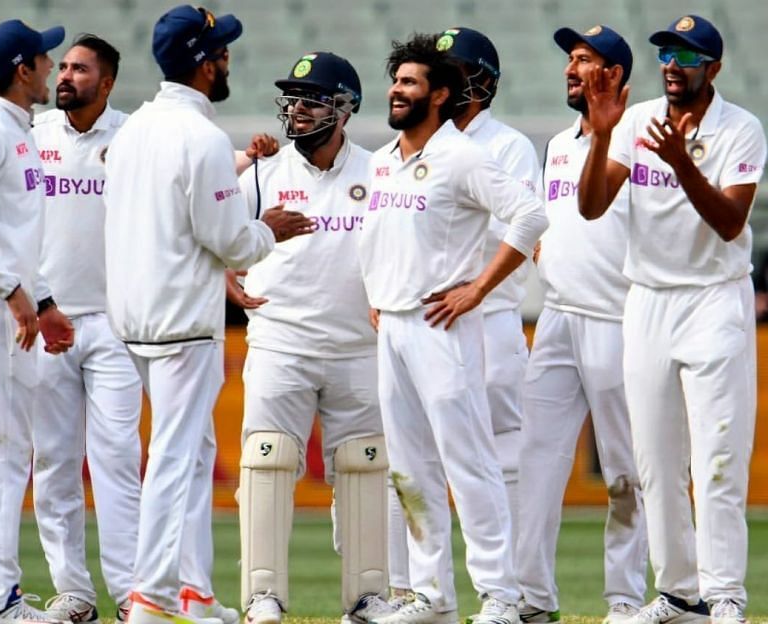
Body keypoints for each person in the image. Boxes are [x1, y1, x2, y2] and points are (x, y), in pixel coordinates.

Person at [103, 6, 314, 624]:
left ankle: (188, 590)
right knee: (174, 456)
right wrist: (269, 230)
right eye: (220, 52)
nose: (227, 60)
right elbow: (231, 242)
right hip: (181, 322)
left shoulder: (136, 127)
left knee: (191, 453)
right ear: (202, 63)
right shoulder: (199, 137)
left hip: (136, 316)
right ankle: (150, 596)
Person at [578, 14, 766, 624]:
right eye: (666, 54)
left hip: (714, 299)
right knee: (655, 462)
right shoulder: (635, 122)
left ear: (713, 68)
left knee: (717, 459)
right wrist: (603, 137)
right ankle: (680, 595)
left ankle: (725, 594)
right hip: (649, 300)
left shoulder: (742, 128)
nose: (672, 65)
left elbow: (730, 223)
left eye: (687, 57)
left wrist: (681, 160)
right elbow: (591, 206)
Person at [358, 33, 547, 624]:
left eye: (411, 82)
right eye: (396, 80)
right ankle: (431, 597)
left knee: (470, 463)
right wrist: (376, 295)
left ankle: (501, 597)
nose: (397, 90)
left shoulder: (461, 155)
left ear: (439, 95)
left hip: (443, 326)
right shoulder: (383, 159)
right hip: (393, 327)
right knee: (410, 468)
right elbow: (378, 237)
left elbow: (531, 215)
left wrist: (479, 288)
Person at [232, 51, 394, 624]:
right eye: (293, 101)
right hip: (280, 341)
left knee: (364, 466)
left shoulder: (379, 171)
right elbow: (212, 230)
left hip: (359, 347)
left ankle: (368, 596)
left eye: (312, 101)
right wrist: (227, 275)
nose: (297, 111)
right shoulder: (259, 171)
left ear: (345, 109)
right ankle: (263, 595)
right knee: (268, 460)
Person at [515, 25, 648, 624]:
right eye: (569, 59)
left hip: (619, 319)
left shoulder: (640, 136)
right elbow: (556, 220)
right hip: (558, 319)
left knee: (626, 470)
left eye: (586, 60)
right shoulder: (560, 143)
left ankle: (624, 599)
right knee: (534, 461)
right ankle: (531, 599)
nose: (572, 69)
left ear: (614, 75)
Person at [30, 34, 142, 624]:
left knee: (118, 460)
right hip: (48, 323)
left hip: (116, 324)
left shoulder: (132, 136)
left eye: (81, 69)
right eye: (65, 67)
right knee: (52, 461)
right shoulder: (35, 136)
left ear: (109, 81)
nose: (67, 76)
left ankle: (130, 595)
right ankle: (73, 591)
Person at [0, 18, 75, 622]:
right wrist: (14, 292)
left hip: (3, 307)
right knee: (4, 455)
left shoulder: (15, 130)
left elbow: (12, 235)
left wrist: (45, 297)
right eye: (44, 58)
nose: (52, 68)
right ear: (21, 68)